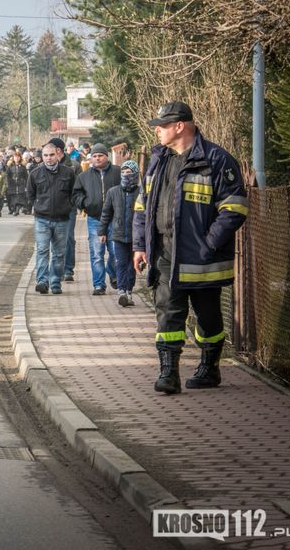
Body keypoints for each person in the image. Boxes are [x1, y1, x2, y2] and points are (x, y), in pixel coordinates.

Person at [132, 102, 247, 394]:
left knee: (208, 316)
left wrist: (208, 244)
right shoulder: (158, 160)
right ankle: (168, 373)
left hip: (201, 257)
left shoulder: (217, 160)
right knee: (168, 313)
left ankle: (209, 368)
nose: (157, 130)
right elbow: (142, 205)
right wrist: (140, 245)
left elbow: (234, 208)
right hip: (164, 253)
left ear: (180, 126)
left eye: (162, 125)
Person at [27, 141, 75, 295]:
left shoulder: (68, 173)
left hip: (62, 219)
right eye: (45, 155)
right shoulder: (35, 173)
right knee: (42, 250)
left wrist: (68, 206)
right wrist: (39, 205)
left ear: (58, 154)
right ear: (42, 156)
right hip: (42, 219)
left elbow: (73, 194)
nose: (48, 158)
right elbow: (30, 194)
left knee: (59, 253)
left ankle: (55, 282)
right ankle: (42, 281)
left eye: (51, 155)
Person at [73, 143, 121, 296]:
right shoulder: (83, 176)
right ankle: (99, 285)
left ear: (107, 156)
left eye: (100, 155)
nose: (97, 158)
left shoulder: (117, 172)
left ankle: (112, 273)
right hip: (95, 219)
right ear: (91, 158)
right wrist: (85, 203)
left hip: (114, 218)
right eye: (94, 156)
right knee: (96, 254)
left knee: (115, 251)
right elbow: (76, 195)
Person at [99, 159, 140, 307]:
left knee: (132, 265)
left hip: (136, 236)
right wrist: (102, 231)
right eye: (123, 172)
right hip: (118, 234)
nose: (125, 175)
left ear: (135, 174)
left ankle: (129, 290)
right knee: (120, 263)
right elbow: (106, 213)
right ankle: (122, 291)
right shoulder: (113, 192)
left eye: (128, 172)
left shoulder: (141, 192)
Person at [48, 137, 78, 282]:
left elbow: (78, 188)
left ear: (58, 150)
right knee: (53, 240)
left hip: (68, 209)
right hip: (50, 209)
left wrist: (73, 203)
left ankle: (68, 269)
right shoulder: (46, 164)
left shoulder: (73, 165)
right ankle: (55, 270)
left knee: (68, 238)